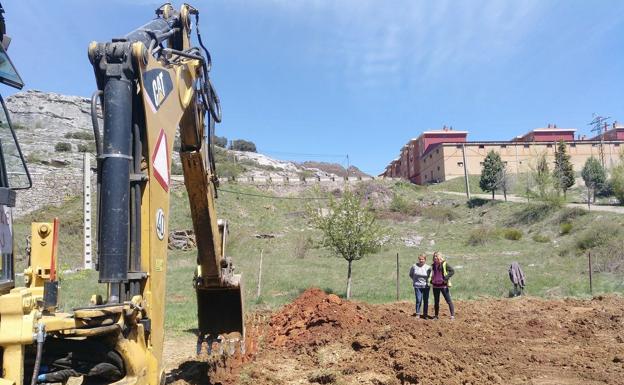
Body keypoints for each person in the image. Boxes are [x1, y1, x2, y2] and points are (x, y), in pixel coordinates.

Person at [427, 251, 455, 320]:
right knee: (436, 301)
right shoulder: (432, 265)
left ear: (439, 257)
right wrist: (430, 280)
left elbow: (452, 271)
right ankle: (436, 316)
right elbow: (429, 273)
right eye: (434, 256)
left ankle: (452, 316)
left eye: (436, 256)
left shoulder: (444, 264)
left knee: (448, 300)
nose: (435, 257)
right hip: (435, 286)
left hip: (443, 285)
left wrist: (446, 277)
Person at [408, 254, 430, 318]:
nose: (421, 260)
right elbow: (411, 274)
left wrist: (428, 282)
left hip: (426, 286)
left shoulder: (428, 267)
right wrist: (415, 280)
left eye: (422, 259)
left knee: (425, 300)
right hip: (417, 286)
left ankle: (425, 314)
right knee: (418, 299)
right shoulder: (414, 266)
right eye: (420, 259)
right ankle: (418, 313)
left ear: (425, 260)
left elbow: (430, 276)